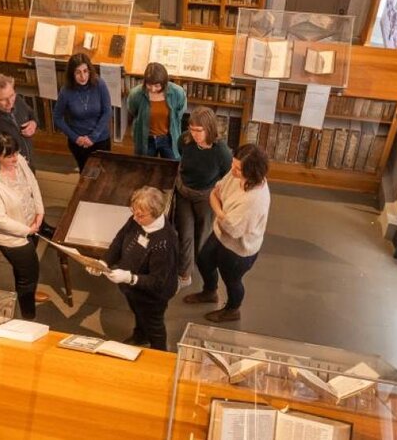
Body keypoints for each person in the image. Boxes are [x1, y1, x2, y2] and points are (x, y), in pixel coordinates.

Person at [183, 144, 271, 323]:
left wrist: (219, 210)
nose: (232, 170)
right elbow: (215, 192)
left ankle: (232, 310)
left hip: (239, 249)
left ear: (252, 171)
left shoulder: (254, 199)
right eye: (233, 164)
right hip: (221, 233)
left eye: (238, 168)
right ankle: (210, 292)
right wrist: (222, 213)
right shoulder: (236, 174)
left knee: (232, 280)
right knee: (203, 259)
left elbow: (233, 229)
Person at [91, 186, 178, 350]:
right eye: (134, 212)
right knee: (138, 312)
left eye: (141, 215)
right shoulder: (136, 219)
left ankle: (159, 354)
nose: (135, 218)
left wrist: (129, 277)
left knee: (155, 325)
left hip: (152, 296)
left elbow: (157, 281)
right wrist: (104, 262)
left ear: (156, 213)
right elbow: (119, 240)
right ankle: (140, 336)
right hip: (133, 288)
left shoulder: (165, 242)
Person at [0, 131, 48, 320]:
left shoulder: (19, 161)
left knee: (23, 270)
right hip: (12, 238)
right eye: (9, 156)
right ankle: (28, 314)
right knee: (28, 274)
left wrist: (40, 212)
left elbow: (33, 183)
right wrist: (28, 230)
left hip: (32, 223)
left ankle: (28, 295)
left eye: (16, 153)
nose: (16, 158)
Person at [173, 107, 232, 288]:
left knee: (203, 237)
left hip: (205, 198)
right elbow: (181, 153)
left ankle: (207, 276)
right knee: (185, 234)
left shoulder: (221, 152)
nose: (195, 134)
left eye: (199, 130)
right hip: (184, 192)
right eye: (192, 129)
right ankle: (184, 276)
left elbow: (226, 176)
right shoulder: (185, 140)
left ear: (210, 128)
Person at [52, 53, 113, 170]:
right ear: (72, 74)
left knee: (104, 172)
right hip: (78, 143)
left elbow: (107, 111)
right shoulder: (66, 91)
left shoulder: (100, 84)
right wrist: (75, 137)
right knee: (85, 174)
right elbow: (57, 117)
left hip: (101, 139)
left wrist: (93, 137)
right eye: (78, 72)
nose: (83, 76)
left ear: (90, 71)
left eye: (85, 71)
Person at [126, 62, 186, 159]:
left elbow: (179, 113)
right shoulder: (136, 94)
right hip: (146, 139)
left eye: (157, 86)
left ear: (164, 82)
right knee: (145, 167)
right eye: (149, 85)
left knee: (172, 168)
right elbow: (133, 111)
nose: (153, 89)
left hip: (168, 139)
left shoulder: (177, 93)